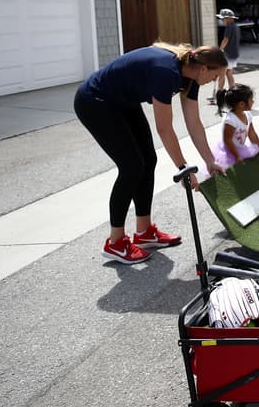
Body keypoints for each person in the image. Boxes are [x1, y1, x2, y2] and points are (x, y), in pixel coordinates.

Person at [74, 42, 228, 264]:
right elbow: (164, 128)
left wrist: (209, 160)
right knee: (131, 166)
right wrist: (183, 167)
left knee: (148, 159)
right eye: (215, 77)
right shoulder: (165, 71)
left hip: (123, 101)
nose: (213, 82)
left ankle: (144, 232)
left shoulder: (191, 78)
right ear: (204, 69)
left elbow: (194, 123)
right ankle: (115, 243)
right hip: (95, 100)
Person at [212, 83, 259, 169]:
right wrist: (237, 156)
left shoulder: (248, 115)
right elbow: (227, 140)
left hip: (241, 148)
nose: (253, 101)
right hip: (230, 151)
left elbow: (252, 133)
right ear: (241, 104)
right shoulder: (230, 120)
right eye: (251, 100)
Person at [211, 9, 240, 102]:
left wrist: (220, 50)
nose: (222, 20)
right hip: (234, 54)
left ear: (228, 18)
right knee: (229, 73)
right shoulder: (236, 27)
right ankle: (233, 93)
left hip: (228, 54)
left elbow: (225, 40)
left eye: (223, 19)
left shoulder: (229, 27)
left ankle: (218, 96)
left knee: (222, 74)